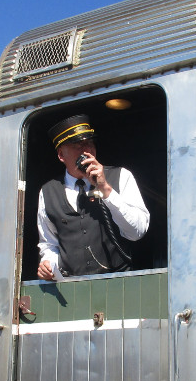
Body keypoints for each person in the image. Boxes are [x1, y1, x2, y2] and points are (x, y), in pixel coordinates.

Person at [37, 114, 150, 280]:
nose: (87, 150)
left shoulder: (121, 176)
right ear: (61, 155)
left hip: (119, 286)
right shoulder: (47, 192)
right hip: (73, 290)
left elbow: (137, 232)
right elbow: (49, 244)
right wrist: (48, 264)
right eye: (78, 145)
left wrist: (105, 189)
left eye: (89, 143)